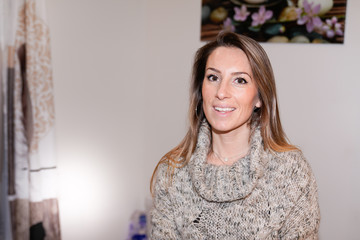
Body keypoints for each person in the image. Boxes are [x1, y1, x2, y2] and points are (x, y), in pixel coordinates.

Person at [149, 31, 320, 239]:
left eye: (239, 80)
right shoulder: (171, 174)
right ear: (200, 90)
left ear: (260, 97)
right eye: (213, 77)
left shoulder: (291, 171)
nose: (221, 92)